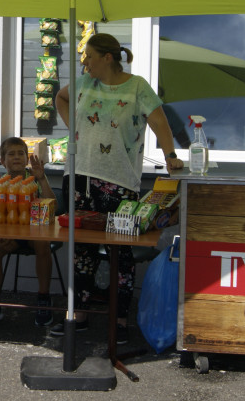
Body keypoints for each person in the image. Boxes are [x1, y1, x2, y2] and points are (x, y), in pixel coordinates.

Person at [50, 33, 183, 344]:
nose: (85, 62)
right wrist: (77, 130)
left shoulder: (137, 87)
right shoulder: (83, 83)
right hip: (80, 176)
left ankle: (119, 319)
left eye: (89, 56)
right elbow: (60, 98)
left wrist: (171, 156)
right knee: (81, 249)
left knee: (119, 253)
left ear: (107, 58)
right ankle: (78, 315)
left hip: (119, 182)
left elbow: (160, 122)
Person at [0, 137, 57, 328]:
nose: (16, 157)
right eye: (11, 154)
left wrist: (42, 178)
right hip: (10, 235)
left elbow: (54, 205)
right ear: (3, 160)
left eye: (21, 153)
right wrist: (0, 235)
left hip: (34, 234)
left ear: (27, 158)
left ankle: (43, 299)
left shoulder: (35, 178)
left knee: (42, 243)